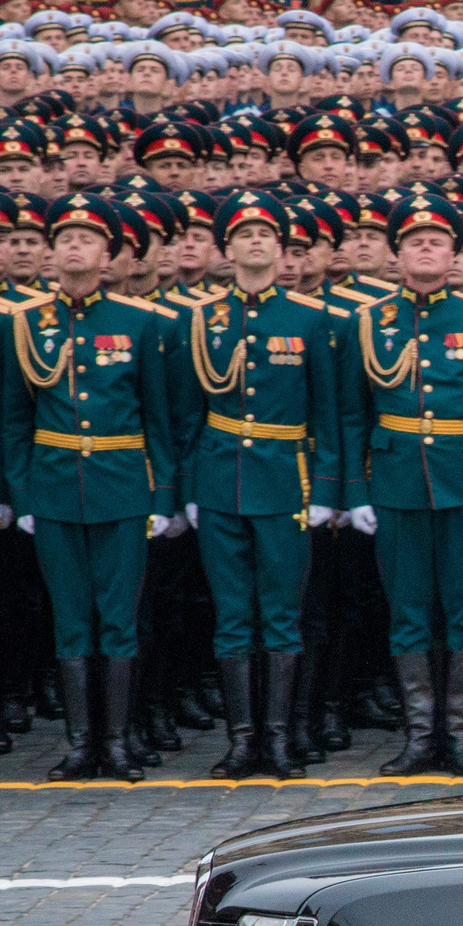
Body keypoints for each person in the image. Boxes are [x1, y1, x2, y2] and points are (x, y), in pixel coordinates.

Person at [3, 195, 179, 782]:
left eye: (88, 238)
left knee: (118, 617)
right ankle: (81, 744)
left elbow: (159, 419)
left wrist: (162, 496)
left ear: (108, 254)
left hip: (122, 485)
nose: (75, 246)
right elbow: (13, 420)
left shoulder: (138, 322)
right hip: (54, 489)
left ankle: (117, 741)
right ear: (51, 252)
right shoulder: (23, 325)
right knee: (71, 618)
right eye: (66, 238)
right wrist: (22, 496)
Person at [356, 194, 463, 778]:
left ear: (455, 254)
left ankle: (459, 736)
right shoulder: (370, 322)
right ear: (397, 254)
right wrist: (355, 491)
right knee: (407, 612)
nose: (425, 248)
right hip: (397, 482)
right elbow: (353, 416)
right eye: (414, 241)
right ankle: (419, 737)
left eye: (436, 241)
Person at [171, 191, 342, 781]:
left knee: (283, 612)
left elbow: (328, 413)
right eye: (244, 234)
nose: (255, 243)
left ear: (280, 247)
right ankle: (242, 741)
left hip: (284, 480)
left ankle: (280, 738)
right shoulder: (201, 319)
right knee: (232, 614)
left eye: (266, 234)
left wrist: (325, 489)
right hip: (220, 480)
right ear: (228, 247)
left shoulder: (309, 318)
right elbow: (187, 415)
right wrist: (187, 487)